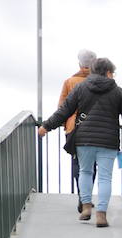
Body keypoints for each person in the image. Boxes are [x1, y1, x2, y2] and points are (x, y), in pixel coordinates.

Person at [40, 57, 122, 227]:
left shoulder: (81, 87)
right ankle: (101, 214)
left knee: (85, 172)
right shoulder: (117, 91)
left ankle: (86, 207)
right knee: (105, 178)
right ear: (109, 72)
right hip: (108, 141)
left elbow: (64, 111)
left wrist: (46, 126)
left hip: (84, 139)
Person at [37, 48, 97, 210]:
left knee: (77, 162)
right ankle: (87, 195)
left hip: (74, 128)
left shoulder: (70, 82)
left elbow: (62, 107)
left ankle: (82, 196)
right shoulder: (100, 81)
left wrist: (60, 125)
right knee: (93, 164)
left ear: (80, 63)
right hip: (97, 127)